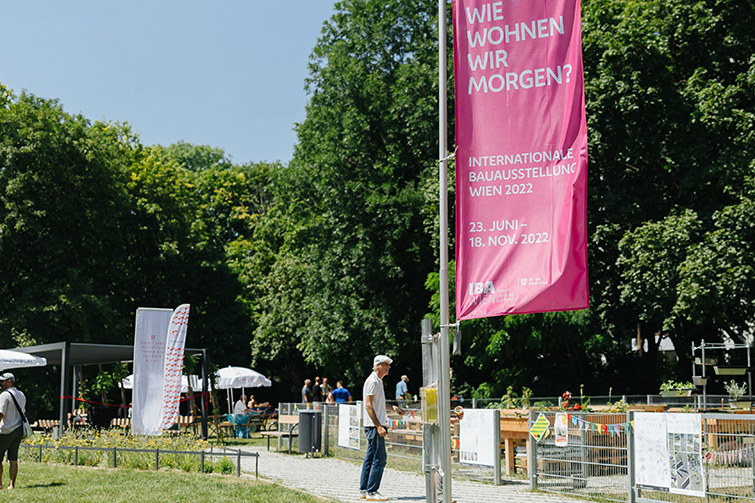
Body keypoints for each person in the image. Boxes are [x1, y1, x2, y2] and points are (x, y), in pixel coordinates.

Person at [360, 355, 404, 501]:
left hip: (373, 425)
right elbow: (368, 405)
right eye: (386, 364)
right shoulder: (373, 381)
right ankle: (372, 492)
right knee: (380, 458)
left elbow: (379, 403)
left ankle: (364, 489)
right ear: (378, 366)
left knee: (371, 457)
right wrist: (379, 426)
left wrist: (394, 408)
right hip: (374, 426)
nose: (389, 367)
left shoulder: (378, 381)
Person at [0, 373, 26, 490]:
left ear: (9, 382)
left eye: (2, 381)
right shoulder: (21, 394)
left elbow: (1, 414)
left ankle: (0, 484)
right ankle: (12, 485)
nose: (0, 383)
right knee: (13, 459)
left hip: (6, 431)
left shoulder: (4, 395)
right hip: (18, 430)